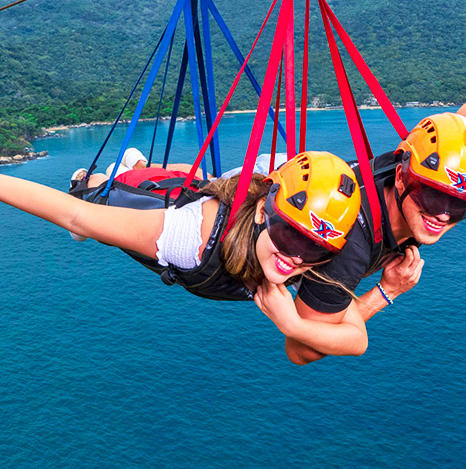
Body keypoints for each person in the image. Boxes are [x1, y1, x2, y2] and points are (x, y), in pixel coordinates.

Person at [286, 58, 466, 364]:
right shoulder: (349, 245)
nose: (444, 215)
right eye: (433, 198)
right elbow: (300, 350)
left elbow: (453, 132)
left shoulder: (410, 166)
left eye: (461, 205)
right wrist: (388, 291)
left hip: (298, 178)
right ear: (401, 179)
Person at [0, 150, 370, 358]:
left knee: (192, 178)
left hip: (209, 186)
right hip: (153, 205)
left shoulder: (313, 239)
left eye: (318, 250)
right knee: (95, 199)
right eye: (290, 236)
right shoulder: (189, 241)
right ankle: (100, 176)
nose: (297, 259)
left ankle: (139, 165)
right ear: (263, 212)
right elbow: (75, 216)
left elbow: (357, 341)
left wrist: (294, 325)